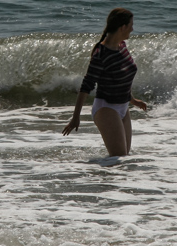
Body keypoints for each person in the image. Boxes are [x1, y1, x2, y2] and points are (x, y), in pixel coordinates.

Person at [62, 8, 147, 156]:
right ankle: (94, 176)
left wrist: (132, 100)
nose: (133, 29)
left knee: (123, 158)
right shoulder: (101, 53)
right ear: (122, 27)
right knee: (118, 157)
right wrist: (76, 118)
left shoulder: (122, 46)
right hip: (106, 108)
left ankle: (103, 175)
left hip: (123, 107)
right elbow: (86, 86)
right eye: (131, 25)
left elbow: (123, 77)